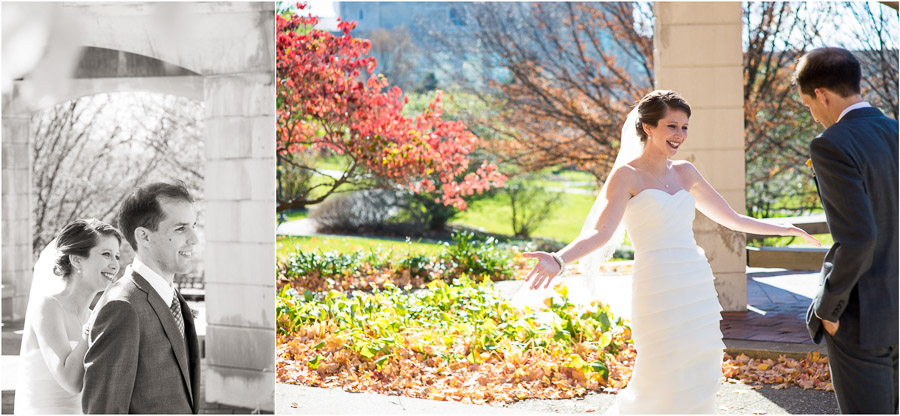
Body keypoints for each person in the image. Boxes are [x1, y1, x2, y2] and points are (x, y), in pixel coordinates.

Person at [522, 90, 820, 414]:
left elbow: (732, 218)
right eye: (672, 126)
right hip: (656, 285)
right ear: (648, 127)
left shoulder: (685, 172)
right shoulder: (627, 175)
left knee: (700, 365)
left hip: (695, 284)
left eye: (684, 127)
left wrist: (785, 228)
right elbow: (601, 233)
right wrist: (558, 259)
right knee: (660, 372)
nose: (679, 135)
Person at [793, 47, 898, 414]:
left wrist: (829, 308)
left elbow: (858, 236)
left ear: (821, 95)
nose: (813, 115)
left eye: (808, 105)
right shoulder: (895, 131)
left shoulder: (832, 144)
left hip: (862, 315)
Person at [82, 182, 201, 414]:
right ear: (144, 236)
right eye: (180, 229)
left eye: (193, 226)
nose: (194, 238)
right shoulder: (122, 307)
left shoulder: (172, 297)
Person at [14, 219, 122, 414]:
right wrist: (93, 325)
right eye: (106, 254)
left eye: (117, 256)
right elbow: (71, 381)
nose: (115, 265)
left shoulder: (92, 316)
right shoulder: (47, 307)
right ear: (76, 260)